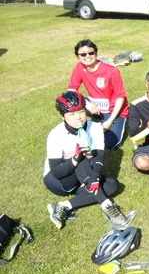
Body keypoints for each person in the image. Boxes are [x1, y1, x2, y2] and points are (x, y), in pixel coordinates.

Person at [44, 90, 135, 230]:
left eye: (80, 112)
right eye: (71, 114)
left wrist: (95, 177)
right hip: (58, 181)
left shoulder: (95, 127)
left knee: (112, 185)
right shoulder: (55, 135)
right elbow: (56, 172)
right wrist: (75, 157)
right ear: (62, 116)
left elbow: (99, 156)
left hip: (83, 177)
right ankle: (107, 206)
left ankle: (64, 206)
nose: (78, 117)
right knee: (82, 158)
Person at [67, 39, 129, 149]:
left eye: (91, 53)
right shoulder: (79, 67)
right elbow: (71, 90)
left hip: (115, 111)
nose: (87, 56)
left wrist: (110, 121)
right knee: (70, 102)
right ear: (78, 56)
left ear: (96, 53)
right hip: (94, 108)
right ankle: (77, 127)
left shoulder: (112, 71)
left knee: (110, 144)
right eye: (83, 54)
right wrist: (86, 103)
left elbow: (121, 97)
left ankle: (107, 121)